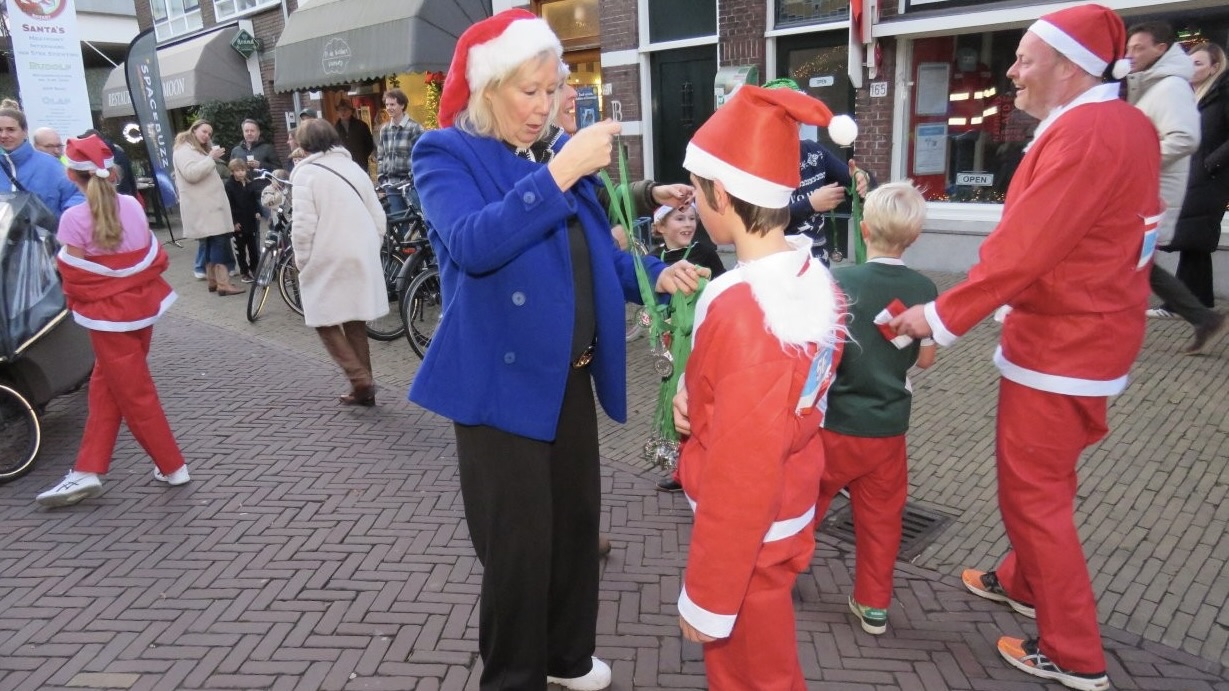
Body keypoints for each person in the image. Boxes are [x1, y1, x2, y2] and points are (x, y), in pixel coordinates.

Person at [410, 10, 705, 690]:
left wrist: (653, 278)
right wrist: (562, 171)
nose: (543, 106)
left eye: (551, 91)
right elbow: (473, 244)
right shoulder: (444, 153)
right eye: (529, 91)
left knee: (574, 530)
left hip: (568, 377)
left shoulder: (544, 155)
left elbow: (592, 250)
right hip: (497, 385)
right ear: (489, 89)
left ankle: (567, 658)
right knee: (517, 549)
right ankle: (511, 677)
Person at [890, 6, 1159, 690]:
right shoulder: (1121, 123)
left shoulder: (1085, 135)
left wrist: (938, 315)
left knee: (1032, 496)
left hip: (1063, 346)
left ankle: (1073, 650)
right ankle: (1019, 579)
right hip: (1093, 336)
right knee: (1048, 480)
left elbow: (1024, 250)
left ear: (1068, 67)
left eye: (1023, 58)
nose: (1010, 71)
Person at [673, 85, 845, 691]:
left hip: (749, 532)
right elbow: (790, 403)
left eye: (696, 191)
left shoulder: (747, 312)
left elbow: (742, 472)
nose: (693, 203)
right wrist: (698, 399)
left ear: (720, 192)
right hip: (786, 504)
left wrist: (708, 596)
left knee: (751, 671)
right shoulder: (812, 280)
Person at [35, 134, 188, 507]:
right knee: (105, 388)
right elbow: (148, 257)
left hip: (106, 318)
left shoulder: (73, 219)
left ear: (71, 174)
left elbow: (75, 276)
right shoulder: (134, 206)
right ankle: (88, 469)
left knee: (134, 394)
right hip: (143, 310)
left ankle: (173, 466)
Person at [816, 181, 937, 636]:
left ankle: (783, 570)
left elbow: (824, 352)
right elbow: (925, 358)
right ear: (915, 237)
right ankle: (873, 604)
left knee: (807, 502)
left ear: (863, 229)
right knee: (883, 520)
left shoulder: (841, 281)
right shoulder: (924, 287)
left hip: (837, 422)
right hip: (889, 427)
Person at [1125, 22, 1225, 353]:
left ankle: (1103, 329)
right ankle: (1203, 318)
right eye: (1129, 48)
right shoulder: (1154, 85)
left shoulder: (1169, 87)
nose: (1132, 54)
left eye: (1140, 47)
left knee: (1127, 259)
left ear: (1162, 48)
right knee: (1134, 260)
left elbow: (1184, 138)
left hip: (1151, 193)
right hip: (1144, 190)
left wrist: (1135, 161)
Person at [290, 118, 388, 406]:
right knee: (355, 320)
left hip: (327, 254)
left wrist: (301, 260)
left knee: (323, 318)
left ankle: (359, 379)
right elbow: (378, 214)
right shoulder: (353, 167)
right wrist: (371, 245)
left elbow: (303, 225)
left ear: (305, 144)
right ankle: (364, 390)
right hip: (360, 251)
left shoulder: (305, 174)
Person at [763, 77, 868, 264]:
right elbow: (762, 222)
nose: (794, 124)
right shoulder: (757, 164)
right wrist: (811, 204)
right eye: (785, 117)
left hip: (818, 263)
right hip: (778, 265)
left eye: (797, 117)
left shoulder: (814, 152)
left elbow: (856, 183)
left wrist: (861, 179)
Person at [1170, 42, 1229, 325]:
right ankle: (1197, 303)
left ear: (1214, 67)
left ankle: (1180, 303)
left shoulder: (1222, 95)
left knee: (1191, 236)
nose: (1191, 69)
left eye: (1199, 64)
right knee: (1193, 239)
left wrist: (1210, 163)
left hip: (1210, 178)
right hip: (1192, 174)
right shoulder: (1192, 96)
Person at [173, 120, 244, 296]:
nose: (207, 136)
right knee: (219, 241)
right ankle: (223, 283)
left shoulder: (194, 149)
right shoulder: (184, 150)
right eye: (204, 132)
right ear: (194, 129)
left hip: (207, 206)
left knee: (212, 242)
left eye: (209, 134)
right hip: (204, 207)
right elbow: (191, 174)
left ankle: (213, 281)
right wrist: (210, 158)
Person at [0, 106, 84, 218]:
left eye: (11, 129)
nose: (4, 135)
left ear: (25, 131)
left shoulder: (51, 165)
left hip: (49, 234)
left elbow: (78, 194)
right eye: (0, 130)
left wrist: (65, 222)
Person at [376, 88, 424, 217]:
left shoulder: (415, 128)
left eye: (392, 104)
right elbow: (381, 156)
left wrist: (413, 178)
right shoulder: (384, 130)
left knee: (419, 220)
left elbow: (420, 156)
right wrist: (381, 179)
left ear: (402, 105)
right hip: (391, 184)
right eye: (387, 104)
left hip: (409, 184)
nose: (389, 108)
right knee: (399, 222)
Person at [225, 158, 261, 282]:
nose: (240, 173)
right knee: (240, 250)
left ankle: (254, 268)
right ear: (232, 172)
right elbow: (229, 205)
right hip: (239, 222)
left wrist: (257, 211)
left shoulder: (249, 182)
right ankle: (244, 272)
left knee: (253, 248)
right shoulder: (229, 185)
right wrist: (234, 222)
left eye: (242, 170)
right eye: (237, 171)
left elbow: (254, 199)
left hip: (250, 220)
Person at [335, 99, 375, 169]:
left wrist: (362, 156)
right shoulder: (335, 129)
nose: (343, 112)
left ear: (351, 111)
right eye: (340, 110)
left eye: (345, 109)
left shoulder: (361, 125)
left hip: (360, 164)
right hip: (344, 165)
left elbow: (369, 144)